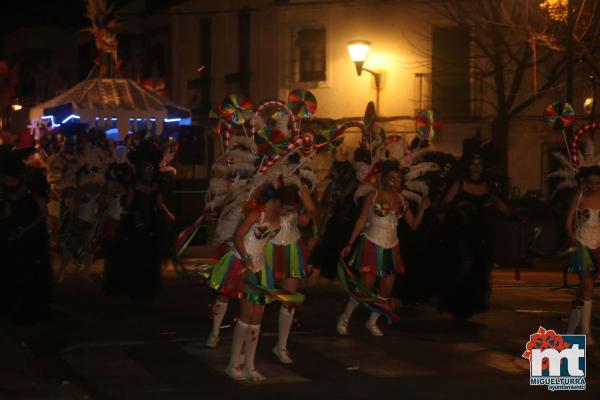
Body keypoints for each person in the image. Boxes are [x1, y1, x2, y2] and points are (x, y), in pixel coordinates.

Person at [208, 184, 300, 381]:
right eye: (286, 208)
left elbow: (269, 243)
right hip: (241, 264)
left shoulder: (279, 218)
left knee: (258, 315)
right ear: (277, 201)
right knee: (247, 313)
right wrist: (245, 258)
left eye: (291, 211)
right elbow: (238, 236)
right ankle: (233, 364)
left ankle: (249, 364)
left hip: (259, 267)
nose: (287, 213)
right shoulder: (258, 212)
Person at [338, 160, 430, 336]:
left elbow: (414, 225)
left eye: (398, 179)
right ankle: (345, 317)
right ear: (382, 179)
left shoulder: (403, 200)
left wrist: (423, 209)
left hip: (391, 246)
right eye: (391, 178)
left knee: (386, 291)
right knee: (365, 288)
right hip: (372, 243)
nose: (395, 182)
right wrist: (350, 243)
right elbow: (361, 220)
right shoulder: (373, 195)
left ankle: (372, 321)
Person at [438, 151, 510, 319]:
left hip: (480, 233)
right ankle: (456, 302)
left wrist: (497, 203)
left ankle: (469, 305)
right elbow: (444, 205)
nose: (476, 167)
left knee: (479, 268)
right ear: (468, 166)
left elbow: (505, 209)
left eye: (479, 164)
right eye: (473, 163)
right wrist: (459, 206)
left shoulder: (488, 185)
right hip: (460, 232)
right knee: (464, 263)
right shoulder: (460, 183)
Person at [264, 181, 316, 364]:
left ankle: (282, 346)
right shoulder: (268, 185)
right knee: (261, 296)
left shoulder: (298, 185)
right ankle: (248, 342)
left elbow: (311, 210)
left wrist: (306, 217)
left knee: (288, 298)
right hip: (269, 246)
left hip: (292, 245)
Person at [120, 159, 175, 299]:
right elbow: (127, 204)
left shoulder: (156, 185)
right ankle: (135, 284)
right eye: (147, 167)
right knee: (137, 253)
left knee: (150, 253)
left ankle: (148, 284)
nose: (149, 170)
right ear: (142, 169)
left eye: (151, 167)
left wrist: (168, 214)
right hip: (137, 222)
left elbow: (160, 203)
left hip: (151, 222)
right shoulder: (135, 184)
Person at [565, 166, 600, 344]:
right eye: (590, 182)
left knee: (584, 289)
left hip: (598, 248)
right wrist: (573, 239)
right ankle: (586, 332)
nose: (593, 186)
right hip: (581, 247)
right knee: (587, 287)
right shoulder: (578, 197)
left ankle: (571, 329)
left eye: (597, 182)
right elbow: (568, 222)